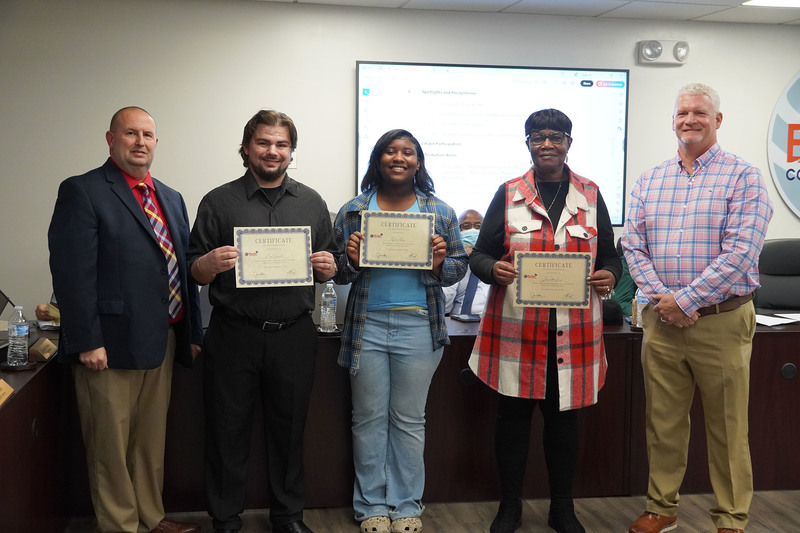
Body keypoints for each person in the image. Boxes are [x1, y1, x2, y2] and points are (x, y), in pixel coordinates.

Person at [622, 83, 773, 533]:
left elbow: (741, 253)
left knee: (728, 427)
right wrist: (664, 302)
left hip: (721, 321)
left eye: (700, 113)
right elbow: (633, 244)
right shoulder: (650, 179)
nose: (690, 119)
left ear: (717, 120)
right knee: (663, 423)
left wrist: (685, 300)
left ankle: (731, 517)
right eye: (683, 112)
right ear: (673, 120)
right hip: (661, 322)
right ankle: (661, 508)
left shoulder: (743, 177)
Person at [47, 106, 203, 533]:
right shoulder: (83, 191)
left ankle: (150, 517)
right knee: (110, 446)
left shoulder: (170, 197)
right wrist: (86, 340)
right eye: (130, 133)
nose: (140, 142)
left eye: (148, 134)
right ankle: (119, 525)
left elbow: (180, 267)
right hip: (109, 343)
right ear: (110, 139)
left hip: (163, 339)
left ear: (156, 142)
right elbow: (71, 273)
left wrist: (191, 331)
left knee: (149, 443)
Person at [468, 109, 621, 533]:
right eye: (538, 137)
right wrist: (490, 269)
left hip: (572, 334)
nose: (547, 144)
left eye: (556, 136)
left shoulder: (590, 194)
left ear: (569, 142)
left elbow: (610, 256)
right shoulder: (509, 192)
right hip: (517, 330)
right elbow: (479, 253)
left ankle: (562, 508)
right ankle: (510, 507)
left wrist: (610, 275)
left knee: (564, 422)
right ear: (528, 143)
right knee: (512, 421)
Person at [188, 109, 336, 533]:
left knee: (290, 432)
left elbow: (330, 264)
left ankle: (288, 517)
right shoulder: (218, 201)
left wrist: (328, 266)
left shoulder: (312, 201)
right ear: (247, 147)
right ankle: (225, 519)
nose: (273, 152)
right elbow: (190, 268)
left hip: (294, 334)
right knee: (225, 429)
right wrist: (208, 264)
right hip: (234, 333)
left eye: (282, 145)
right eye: (264, 143)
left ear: (291, 151)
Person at [333, 129, 468, 533]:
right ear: (378, 160)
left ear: (419, 162)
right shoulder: (354, 209)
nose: (399, 157)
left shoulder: (440, 211)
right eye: (390, 151)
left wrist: (438, 264)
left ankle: (406, 505)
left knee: (409, 419)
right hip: (366, 326)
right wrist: (352, 259)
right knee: (368, 418)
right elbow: (336, 271)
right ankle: (372, 504)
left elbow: (457, 270)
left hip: (419, 326)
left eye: (408, 152)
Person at [443, 210, 490, 316]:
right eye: (466, 226)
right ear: (458, 231)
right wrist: (459, 260)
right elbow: (444, 306)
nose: (473, 231)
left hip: (487, 323)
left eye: (478, 227)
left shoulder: (496, 259)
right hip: (456, 323)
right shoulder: (452, 260)